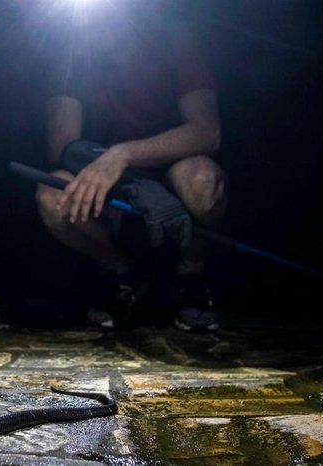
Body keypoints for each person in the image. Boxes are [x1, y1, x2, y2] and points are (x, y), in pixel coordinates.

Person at [35, 5, 228, 330]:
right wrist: (120, 172)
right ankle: (120, 274)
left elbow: (207, 131)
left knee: (202, 180)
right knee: (51, 192)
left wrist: (124, 155)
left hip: (169, 169)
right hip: (107, 178)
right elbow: (62, 148)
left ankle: (191, 276)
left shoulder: (175, 40)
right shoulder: (72, 53)